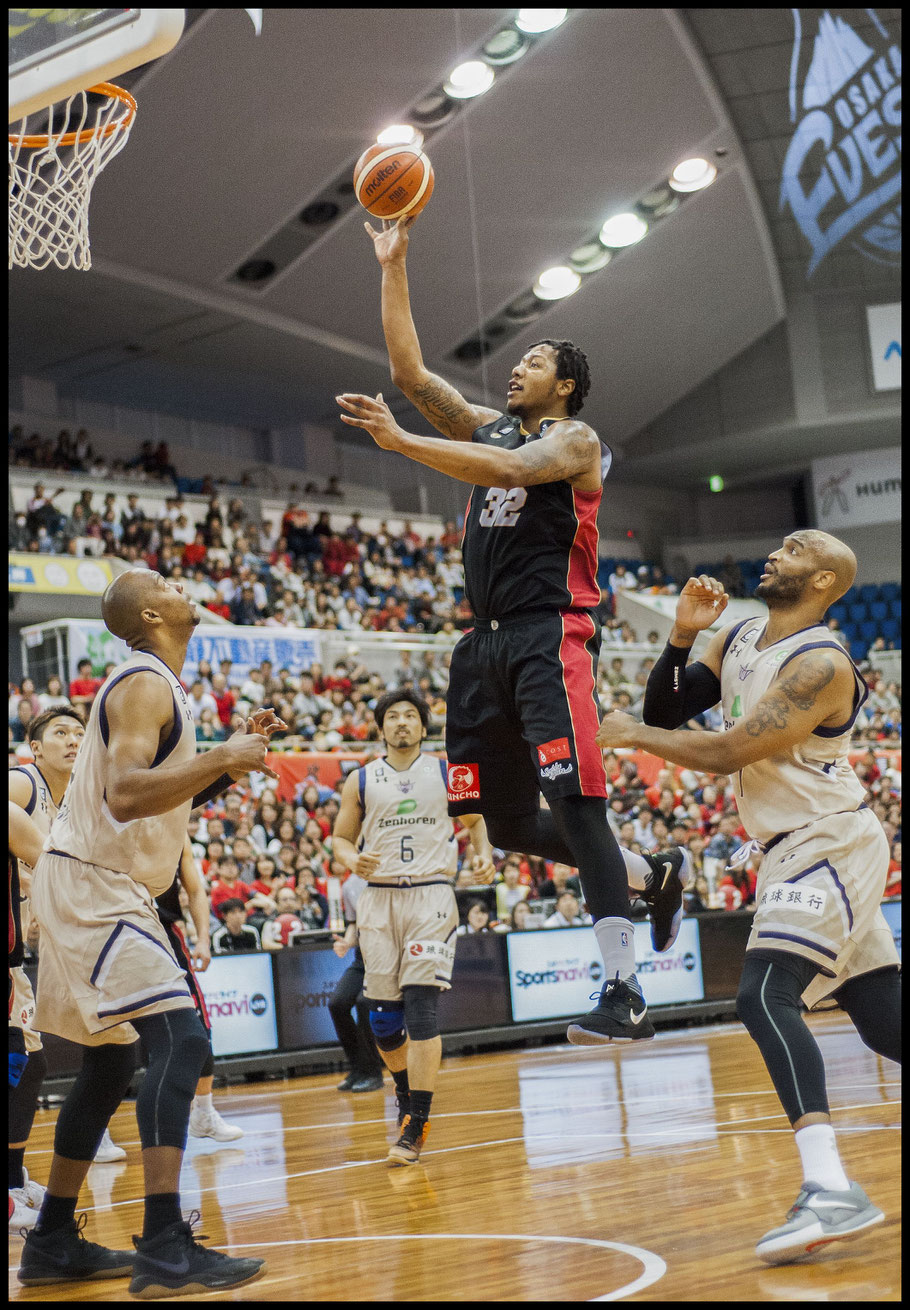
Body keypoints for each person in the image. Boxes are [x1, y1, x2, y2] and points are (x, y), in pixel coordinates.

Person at [340, 213, 691, 1048]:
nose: (519, 368)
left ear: (565, 385)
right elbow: (410, 370)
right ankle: (653, 875)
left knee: (576, 806)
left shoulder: (575, 441)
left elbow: (509, 472)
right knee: (501, 822)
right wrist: (395, 264)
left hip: (547, 636)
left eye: (535, 361)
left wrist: (399, 440)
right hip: (482, 645)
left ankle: (624, 988)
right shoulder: (490, 425)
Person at [595, 532, 901, 1265]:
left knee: (763, 996)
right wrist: (679, 637)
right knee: (887, 1024)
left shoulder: (823, 664)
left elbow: (729, 749)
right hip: (790, 848)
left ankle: (829, 1189)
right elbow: (670, 711)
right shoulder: (737, 633)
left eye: (796, 548)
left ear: (824, 578)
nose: (776, 552)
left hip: (827, 841)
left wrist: (626, 736)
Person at [17, 567, 276, 1295]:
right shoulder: (143, 680)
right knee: (184, 1041)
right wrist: (222, 757)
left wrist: (223, 763)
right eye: (166, 580)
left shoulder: (157, 683)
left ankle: (53, 1241)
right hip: (98, 882)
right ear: (153, 613)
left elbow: (146, 792)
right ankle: (165, 1243)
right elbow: (127, 796)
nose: (184, 585)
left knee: (108, 1065)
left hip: (91, 880)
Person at [332, 688, 495, 1166]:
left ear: (424, 727)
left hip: (431, 896)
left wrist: (482, 854)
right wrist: (351, 859)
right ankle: (405, 1096)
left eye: (410, 716)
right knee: (383, 1020)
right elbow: (340, 838)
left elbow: (477, 823)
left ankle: (418, 1122)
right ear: (380, 728)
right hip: (378, 899)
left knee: (422, 1009)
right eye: (392, 717)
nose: (401, 723)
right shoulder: (360, 779)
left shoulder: (450, 770)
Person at [154, 837, 244, 1142]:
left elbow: (194, 889)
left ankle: (204, 1112)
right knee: (115, 1040)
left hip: (165, 933)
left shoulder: (174, 828)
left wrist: (203, 939)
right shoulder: (108, 816)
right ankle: (98, 1127)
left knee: (199, 1029)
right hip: (115, 931)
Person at [329, 872, 385, 1094]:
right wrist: (347, 942)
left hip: (385, 955)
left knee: (364, 1004)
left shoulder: (388, 876)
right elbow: (354, 924)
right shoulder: (349, 885)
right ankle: (359, 1069)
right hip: (362, 958)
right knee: (337, 1004)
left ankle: (373, 1073)